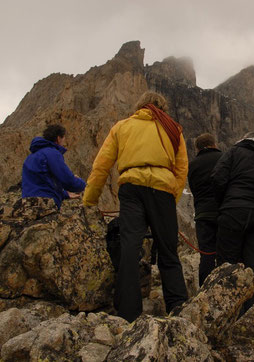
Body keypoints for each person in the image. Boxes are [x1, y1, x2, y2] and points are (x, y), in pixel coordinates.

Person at [82, 91, 189, 322]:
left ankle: (128, 313)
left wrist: (89, 201)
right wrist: (173, 197)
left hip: (132, 190)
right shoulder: (174, 130)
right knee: (168, 250)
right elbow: (181, 170)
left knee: (130, 249)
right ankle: (178, 307)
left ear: (140, 106)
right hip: (162, 191)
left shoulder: (122, 126)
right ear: (163, 107)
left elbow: (101, 165)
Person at [212, 132, 254, 311]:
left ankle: (227, 312)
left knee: (227, 263)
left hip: (233, 212)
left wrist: (224, 203)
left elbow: (218, 177)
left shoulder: (233, 153)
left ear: (244, 139)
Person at [22, 124, 86, 209]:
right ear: (58, 138)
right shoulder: (52, 153)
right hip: (44, 203)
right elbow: (67, 180)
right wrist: (84, 185)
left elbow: (40, 183)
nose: (65, 142)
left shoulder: (31, 157)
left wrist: (65, 194)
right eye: (64, 138)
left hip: (27, 204)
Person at [188, 133, 223, 286]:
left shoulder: (193, 164)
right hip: (224, 212)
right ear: (214, 144)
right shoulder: (225, 158)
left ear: (197, 148)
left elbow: (194, 189)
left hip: (203, 213)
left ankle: (205, 291)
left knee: (206, 254)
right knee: (225, 253)